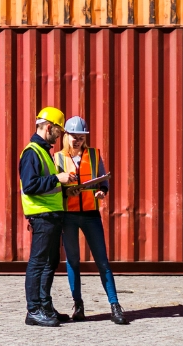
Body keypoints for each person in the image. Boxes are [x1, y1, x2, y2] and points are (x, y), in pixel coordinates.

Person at [54, 116, 128, 325]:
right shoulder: (57, 158)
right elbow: (54, 188)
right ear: (65, 136)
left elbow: (103, 180)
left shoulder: (94, 155)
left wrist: (102, 192)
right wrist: (66, 192)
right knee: (73, 262)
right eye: (73, 136)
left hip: (90, 215)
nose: (76, 140)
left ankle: (115, 306)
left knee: (102, 262)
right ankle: (78, 305)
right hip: (68, 215)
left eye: (80, 137)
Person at [19, 106, 77, 327]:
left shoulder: (44, 151)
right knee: (38, 263)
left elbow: (47, 185)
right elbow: (30, 185)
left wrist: (65, 188)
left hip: (52, 216)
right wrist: (57, 179)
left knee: (50, 262)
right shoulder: (32, 152)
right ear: (50, 127)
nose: (59, 136)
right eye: (59, 131)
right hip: (41, 216)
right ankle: (33, 310)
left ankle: (45, 306)